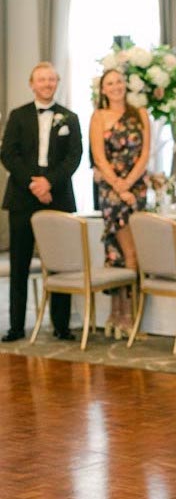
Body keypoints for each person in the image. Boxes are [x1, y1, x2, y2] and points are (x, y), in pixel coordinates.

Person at [1, 61, 83, 342]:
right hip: (22, 198)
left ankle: (61, 326)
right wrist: (34, 184)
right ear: (32, 84)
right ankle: (15, 326)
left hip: (57, 197)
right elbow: (8, 154)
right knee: (20, 264)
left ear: (57, 83)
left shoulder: (69, 118)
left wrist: (50, 183)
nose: (47, 84)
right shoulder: (17, 115)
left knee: (59, 262)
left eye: (51, 79)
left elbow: (74, 157)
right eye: (41, 79)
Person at [90, 68, 150, 338]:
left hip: (135, 189)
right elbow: (99, 157)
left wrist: (129, 185)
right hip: (111, 192)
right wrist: (117, 186)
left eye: (119, 82)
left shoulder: (140, 114)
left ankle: (126, 316)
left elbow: (145, 153)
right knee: (119, 252)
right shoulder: (98, 116)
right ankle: (119, 315)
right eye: (109, 83)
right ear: (103, 89)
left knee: (133, 252)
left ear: (125, 86)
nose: (115, 87)